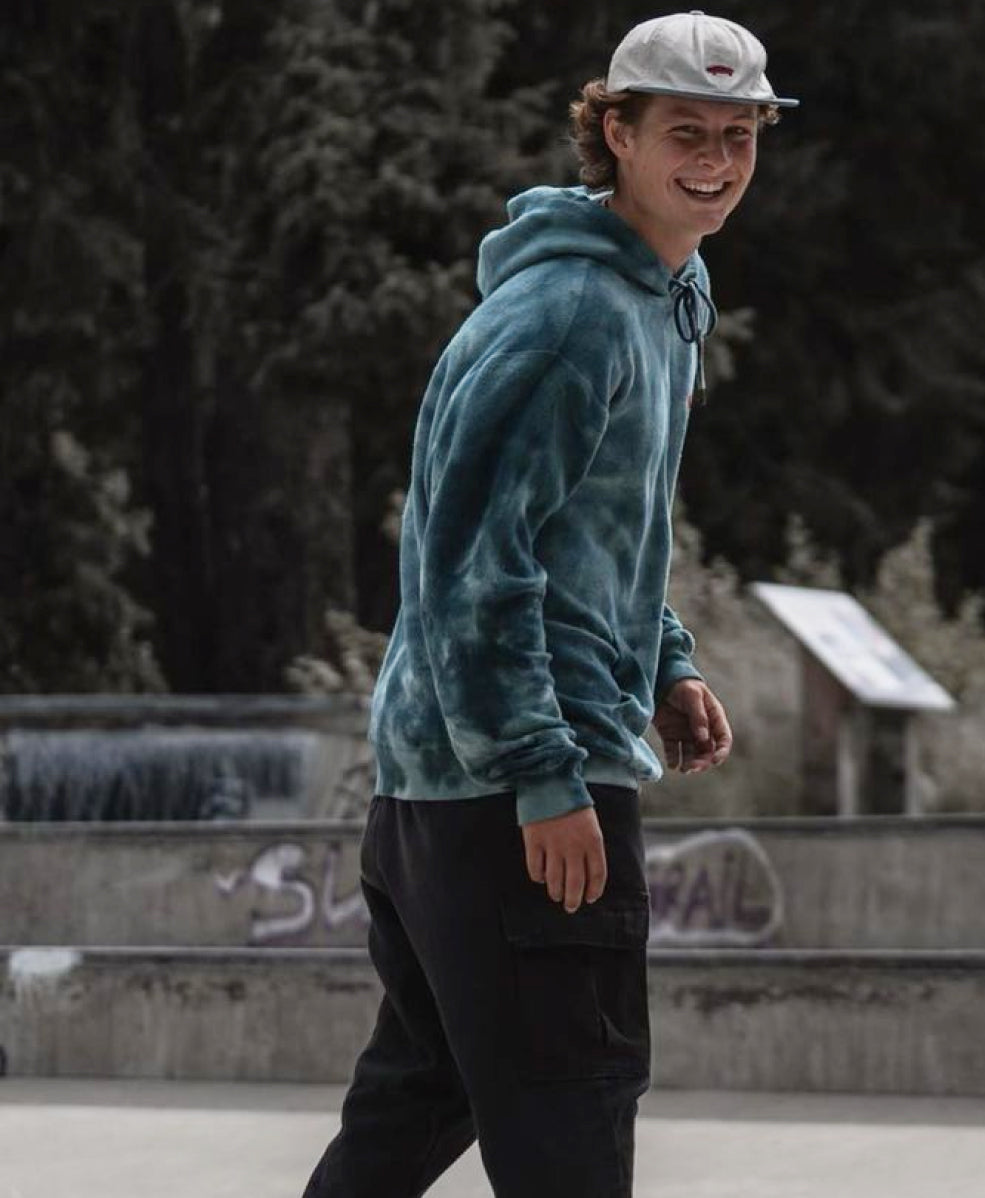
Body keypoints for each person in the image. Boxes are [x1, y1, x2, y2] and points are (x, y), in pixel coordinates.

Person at [302, 13, 797, 1197]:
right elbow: (471, 557)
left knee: (427, 1096)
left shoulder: (663, 298)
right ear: (613, 131)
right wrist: (544, 769)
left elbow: (602, 528)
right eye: (686, 131)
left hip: (447, 784)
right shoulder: (572, 315)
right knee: (571, 1117)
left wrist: (664, 657)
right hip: (514, 790)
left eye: (740, 135)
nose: (717, 160)